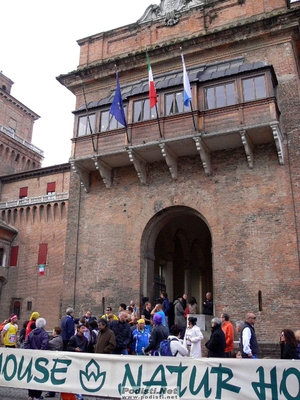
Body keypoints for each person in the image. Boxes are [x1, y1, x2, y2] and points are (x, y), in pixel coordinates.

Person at [24, 318, 49, 400]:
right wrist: (39, 352)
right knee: (39, 377)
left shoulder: (31, 333)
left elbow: (26, 344)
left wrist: (30, 352)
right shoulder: (44, 334)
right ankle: (37, 395)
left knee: (30, 376)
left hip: (31, 358)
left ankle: (30, 394)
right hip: (40, 359)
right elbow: (44, 345)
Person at [45, 327, 64, 398]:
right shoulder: (57, 339)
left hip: (55, 359)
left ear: (55, 332)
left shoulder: (57, 340)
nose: (52, 332)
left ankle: (51, 392)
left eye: (53, 331)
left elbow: (49, 344)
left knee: (52, 376)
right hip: (54, 359)